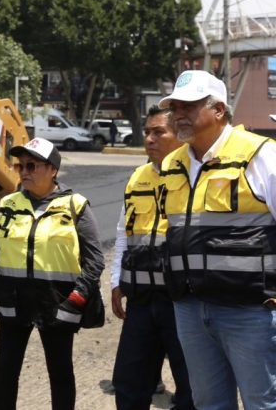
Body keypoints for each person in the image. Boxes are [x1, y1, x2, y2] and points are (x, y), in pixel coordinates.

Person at [158, 69, 276, 410]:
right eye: (174, 107)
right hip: (189, 308)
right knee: (208, 403)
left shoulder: (260, 154)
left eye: (189, 106)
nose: (178, 114)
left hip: (250, 310)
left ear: (219, 110)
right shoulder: (172, 163)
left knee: (262, 403)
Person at [0, 137, 105, 410]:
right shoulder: (8, 204)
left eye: (32, 166)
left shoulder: (76, 206)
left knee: (60, 374)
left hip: (57, 303)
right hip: (13, 302)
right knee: (5, 374)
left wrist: (76, 299)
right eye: (20, 166)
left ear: (53, 170)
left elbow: (95, 260)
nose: (24, 172)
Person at [110, 105, 194, 410]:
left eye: (159, 132)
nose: (149, 139)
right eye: (147, 132)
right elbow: (124, 233)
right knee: (129, 385)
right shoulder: (137, 177)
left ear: (180, 135)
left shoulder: (195, 175)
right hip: (142, 300)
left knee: (192, 388)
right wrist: (116, 281)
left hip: (183, 302)